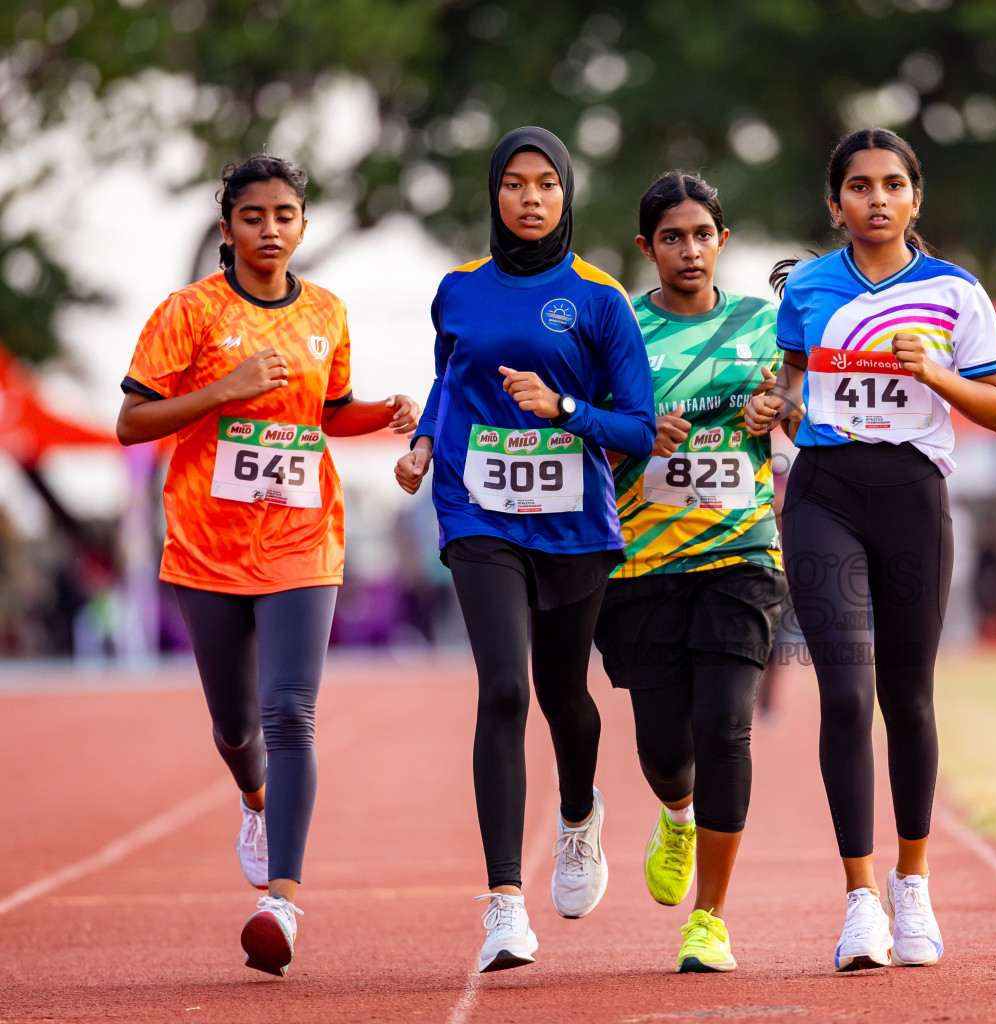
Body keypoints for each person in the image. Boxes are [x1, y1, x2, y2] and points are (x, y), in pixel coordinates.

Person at [115, 154, 420, 977]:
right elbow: (132, 423)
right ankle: (254, 799)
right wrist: (226, 388)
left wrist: (385, 414)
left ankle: (281, 900)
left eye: (285, 216)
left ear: (303, 227)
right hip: (207, 547)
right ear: (227, 229)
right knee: (235, 727)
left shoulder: (326, 310)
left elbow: (325, 414)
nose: (270, 230)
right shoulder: (190, 313)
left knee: (290, 714)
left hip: (302, 540)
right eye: (253, 217)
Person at [745, 128, 996, 971]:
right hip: (824, 495)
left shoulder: (955, 292)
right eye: (859, 186)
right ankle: (860, 900)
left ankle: (913, 883)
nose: (877, 198)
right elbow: (788, 391)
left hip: (912, 500)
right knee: (846, 696)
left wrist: (936, 375)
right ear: (836, 204)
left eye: (893, 184)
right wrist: (770, 411)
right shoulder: (809, 289)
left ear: (914, 199)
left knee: (909, 697)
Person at [393, 127, 655, 973]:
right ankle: (505, 905)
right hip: (479, 511)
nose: (531, 198)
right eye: (515, 183)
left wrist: (564, 409)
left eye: (546, 183)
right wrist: (426, 445)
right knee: (504, 689)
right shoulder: (458, 291)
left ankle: (579, 815)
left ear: (566, 195)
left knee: (562, 694)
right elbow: (448, 383)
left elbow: (640, 430)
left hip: (574, 517)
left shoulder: (601, 299)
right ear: (494, 195)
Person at [592, 171, 787, 973]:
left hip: (741, 553)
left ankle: (710, 918)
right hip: (642, 566)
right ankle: (676, 813)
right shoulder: (620, 332)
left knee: (726, 726)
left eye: (702, 234)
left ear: (722, 241)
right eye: (672, 237)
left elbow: (802, 412)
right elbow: (586, 441)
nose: (689, 249)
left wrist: (778, 411)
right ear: (648, 248)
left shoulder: (761, 325)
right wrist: (638, 436)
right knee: (667, 749)